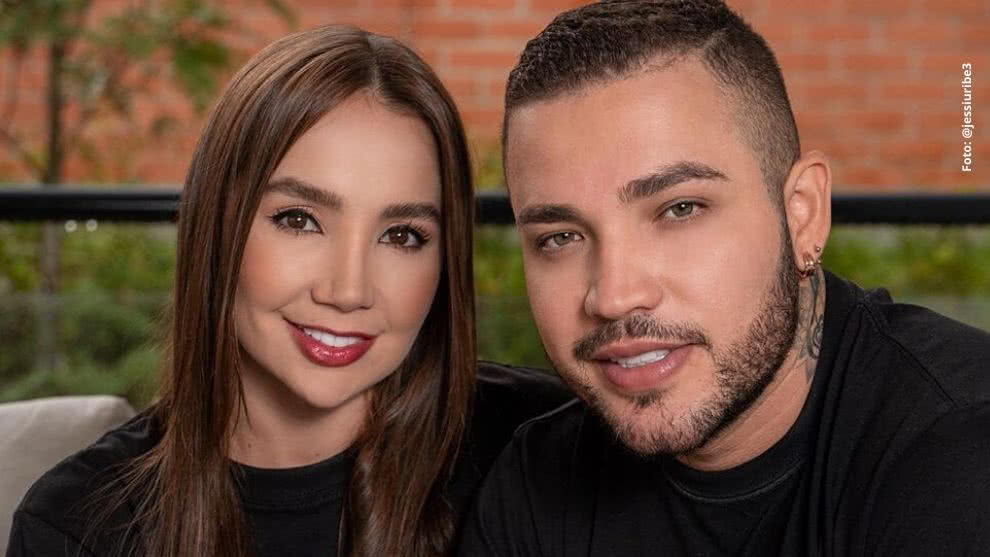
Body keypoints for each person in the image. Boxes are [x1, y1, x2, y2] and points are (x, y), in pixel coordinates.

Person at [7, 25, 570, 557]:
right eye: (299, 220)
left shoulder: (553, 449)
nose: (348, 290)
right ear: (217, 224)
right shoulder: (77, 525)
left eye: (402, 235)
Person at [458, 1, 990, 555]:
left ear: (803, 214)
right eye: (560, 237)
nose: (614, 296)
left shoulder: (961, 453)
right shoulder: (536, 485)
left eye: (680, 209)